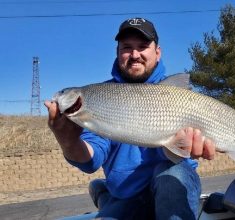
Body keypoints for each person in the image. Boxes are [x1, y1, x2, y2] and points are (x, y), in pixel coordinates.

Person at [45, 17, 216, 219]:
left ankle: (102, 194)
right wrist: (69, 140)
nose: (135, 55)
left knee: (172, 173)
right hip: (127, 196)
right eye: (127, 47)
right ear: (118, 53)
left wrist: (196, 146)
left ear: (158, 53)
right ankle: (105, 196)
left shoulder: (177, 94)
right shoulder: (100, 97)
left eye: (143, 46)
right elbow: (91, 160)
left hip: (175, 187)